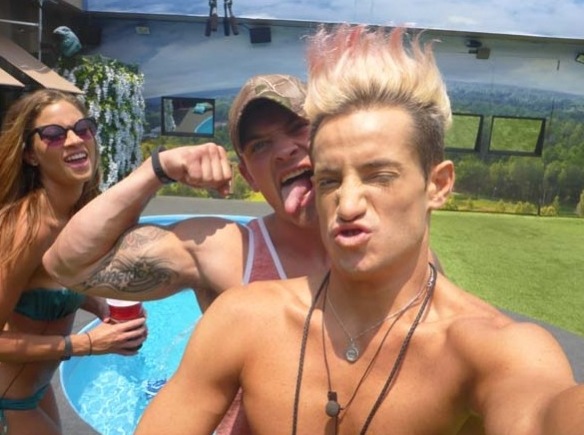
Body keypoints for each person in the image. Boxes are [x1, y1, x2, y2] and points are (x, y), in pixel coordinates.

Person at [134, 25, 583, 434]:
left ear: (438, 185)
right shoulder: (244, 319)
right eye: (329, 181)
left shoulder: (493, 350)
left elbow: (548, 410)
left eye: (379, 176)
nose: (347, 205)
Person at [42, 74, 443, 433]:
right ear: (249, 175)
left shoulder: (395, 255)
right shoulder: (227, 250)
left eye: (297, 128)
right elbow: (68, 264)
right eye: (261, 145)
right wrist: (157, 169)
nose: (284, 150)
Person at [0, 89, 147, 434]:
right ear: (30, 155)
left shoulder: (75, 215)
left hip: (33, 390)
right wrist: (87, 344)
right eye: (53, 134)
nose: (74, 140)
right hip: (8, 400)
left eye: (83, 128)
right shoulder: (27, 228)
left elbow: (48, 286)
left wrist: (100, 306)